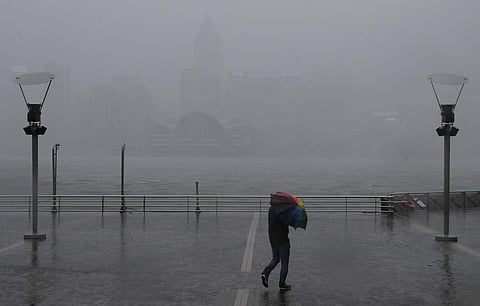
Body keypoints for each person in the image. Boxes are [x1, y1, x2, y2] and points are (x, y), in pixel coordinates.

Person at [261, 203, 292, 292]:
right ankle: (282, 283)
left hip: (273, 239)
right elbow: (285, 226)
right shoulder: (283, 212)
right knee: (284, 262)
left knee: (275, 258)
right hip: (283, 240)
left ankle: (265, 272)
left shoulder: (271, 210)